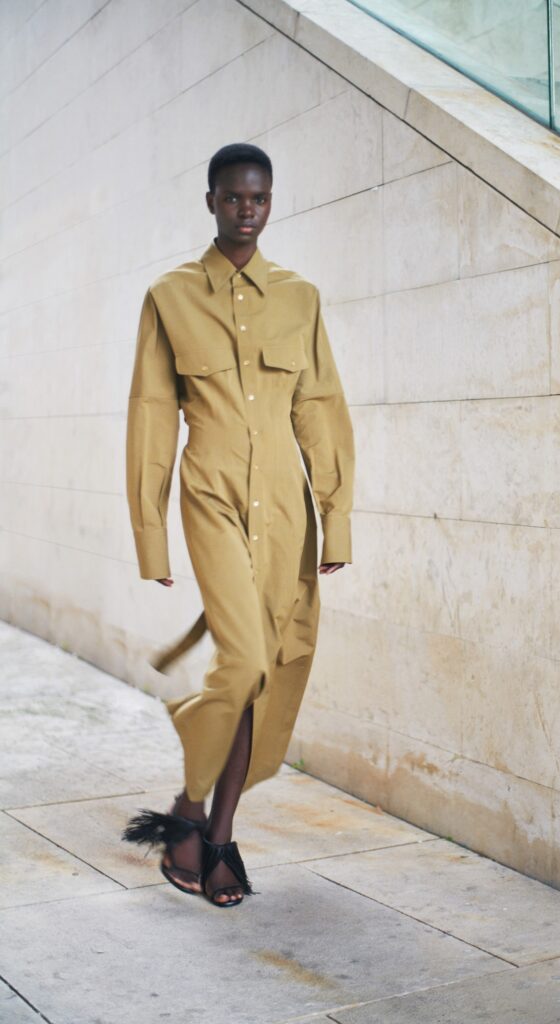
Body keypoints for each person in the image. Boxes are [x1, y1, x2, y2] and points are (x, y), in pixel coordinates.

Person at [121, 142, 355, 908]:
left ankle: (211, 831)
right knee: (245, 662)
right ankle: (188, 799)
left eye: (257, 198)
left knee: (269, 675)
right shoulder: (170, 295)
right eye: (232, 198)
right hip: (212, 493)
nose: (245, 209)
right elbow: (153, 416)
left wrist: (335, 519)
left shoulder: (300, 296)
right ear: (211, 201)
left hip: (286, 508)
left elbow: (320, 409)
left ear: (269, 201)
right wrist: (150, 534)